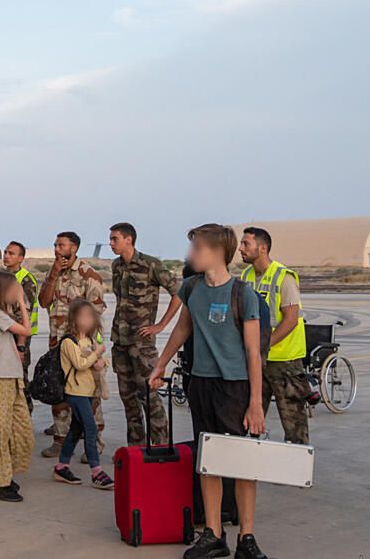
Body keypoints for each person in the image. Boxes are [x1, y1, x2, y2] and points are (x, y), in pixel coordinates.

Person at [151, 224, 268, 559]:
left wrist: (255, 403)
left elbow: (253, 353)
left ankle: (246, 537)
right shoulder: (191, 288)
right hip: (200, 382)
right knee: (209, 460)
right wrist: (161, 364)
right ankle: (213, 534)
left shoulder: (243, 294)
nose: (190, 255)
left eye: (197, 248)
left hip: (235, 387)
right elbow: (183, 327)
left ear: (217, 252)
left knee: (243, 462)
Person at [109, 222, 179, 446]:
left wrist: (160, 325)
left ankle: (160, 447)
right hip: (119, 341)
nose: (111, 243)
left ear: (128, 239)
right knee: (128, 399)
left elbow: (179, 294)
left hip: (142, 343)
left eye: (115, 239)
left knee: (149, 397)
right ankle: (136, 449)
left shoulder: (151, 265)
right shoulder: (116, 266)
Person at [38, 231, 106, 459]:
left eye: (61, 245)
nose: (57, 249)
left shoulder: (88, 274)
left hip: (83, 343)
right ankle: (60, 439)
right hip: (58, 342)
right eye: (55, 245)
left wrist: (89, 344)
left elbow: (97, 311)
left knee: (89, 392)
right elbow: (43, 302)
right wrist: (53, 273)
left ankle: (93, 443)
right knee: (58, 389)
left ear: (74, 248)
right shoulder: (54, 272)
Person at [239, 226, 309, 445]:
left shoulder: (284, 277)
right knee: (250, 416)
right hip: (257, 360)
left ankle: (298, 469)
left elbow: (290, 318)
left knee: (293, 420)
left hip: (284, 362)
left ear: (262, 248)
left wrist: (264, 345)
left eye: (245, 244)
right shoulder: (245, 276)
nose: (240, 248)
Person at [0, 270, 37, 500]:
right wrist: (22, 305)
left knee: (22, 430)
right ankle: (0, 482)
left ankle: (0, 471)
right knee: (0, 431)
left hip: (12, 376)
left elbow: (20, 338)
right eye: (14, 288)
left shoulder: (3, 314)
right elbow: (26, 329)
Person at [52, 299, 115, 491]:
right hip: (75, 392)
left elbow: (100, 360)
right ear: (73, 319)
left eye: (90, 316)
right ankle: (96, 471)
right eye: (83, 316)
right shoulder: (69, 342)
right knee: (90, 428)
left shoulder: (89, 339)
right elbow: (80, 364)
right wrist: (96, 355)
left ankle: (61, 466)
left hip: (88, 392)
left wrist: (102, 361)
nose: (87, 320)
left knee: (75, 430)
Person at [3, 241, 39, 392]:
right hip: (5, 334)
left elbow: (26, 315)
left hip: (20, 337)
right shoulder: (2, 277)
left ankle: (25, 412)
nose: (6, 256)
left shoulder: (25, 280)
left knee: (20, 381)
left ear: (20, 258)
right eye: (5, 252)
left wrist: (21, 346)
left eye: (11, 253)